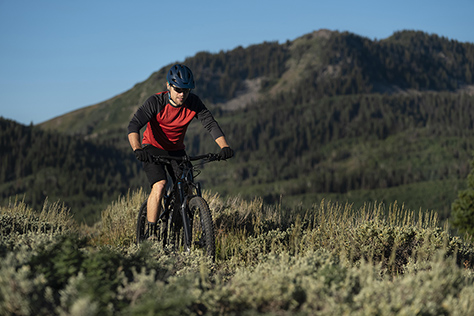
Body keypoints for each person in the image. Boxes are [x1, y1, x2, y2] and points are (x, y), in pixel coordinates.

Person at [128, 64, 234, 239]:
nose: (182, 94)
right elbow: (134, 125)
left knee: (186, 189)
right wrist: (137, 149)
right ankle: (152, 233)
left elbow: (210, 124)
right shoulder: (156, 102)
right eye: (178, 89)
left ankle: (179, 232)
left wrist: (224, 147)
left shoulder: (193, 103)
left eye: (186, 90)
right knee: (160, 184)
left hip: (177, 151)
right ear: (168, 86)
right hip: (152, 149)